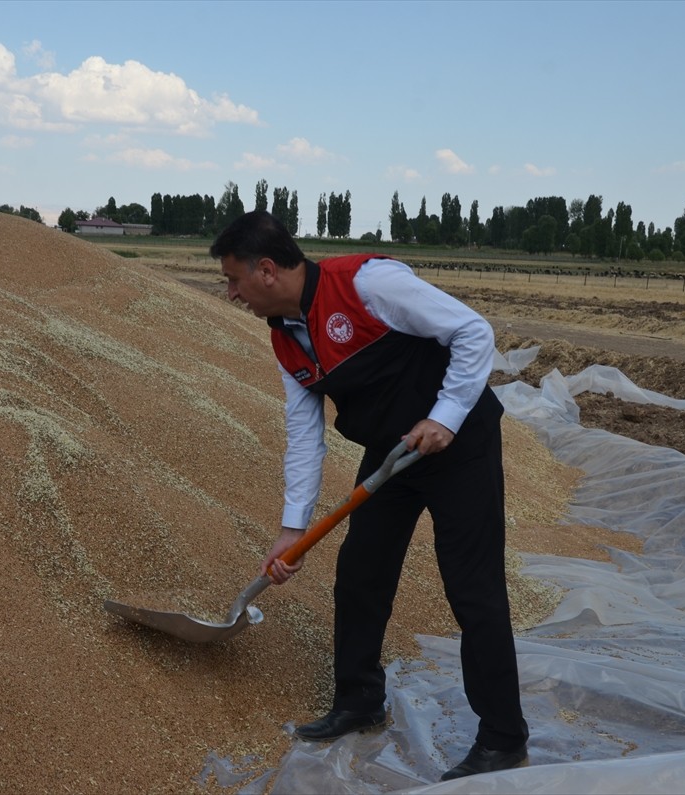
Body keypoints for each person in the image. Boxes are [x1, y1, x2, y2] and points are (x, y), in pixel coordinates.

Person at [210, 211, 529, 781]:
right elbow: (305, 436)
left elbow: (473, 332)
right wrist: (292, 528)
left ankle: (504, 737)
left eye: (233, 280)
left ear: (265, 271)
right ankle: (359, 701)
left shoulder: (365, 284)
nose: (231, 293)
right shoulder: (286, 338)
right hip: (393, 456)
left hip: (459, 444)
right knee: (361, 573)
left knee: (472, 587)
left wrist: (446, 416)